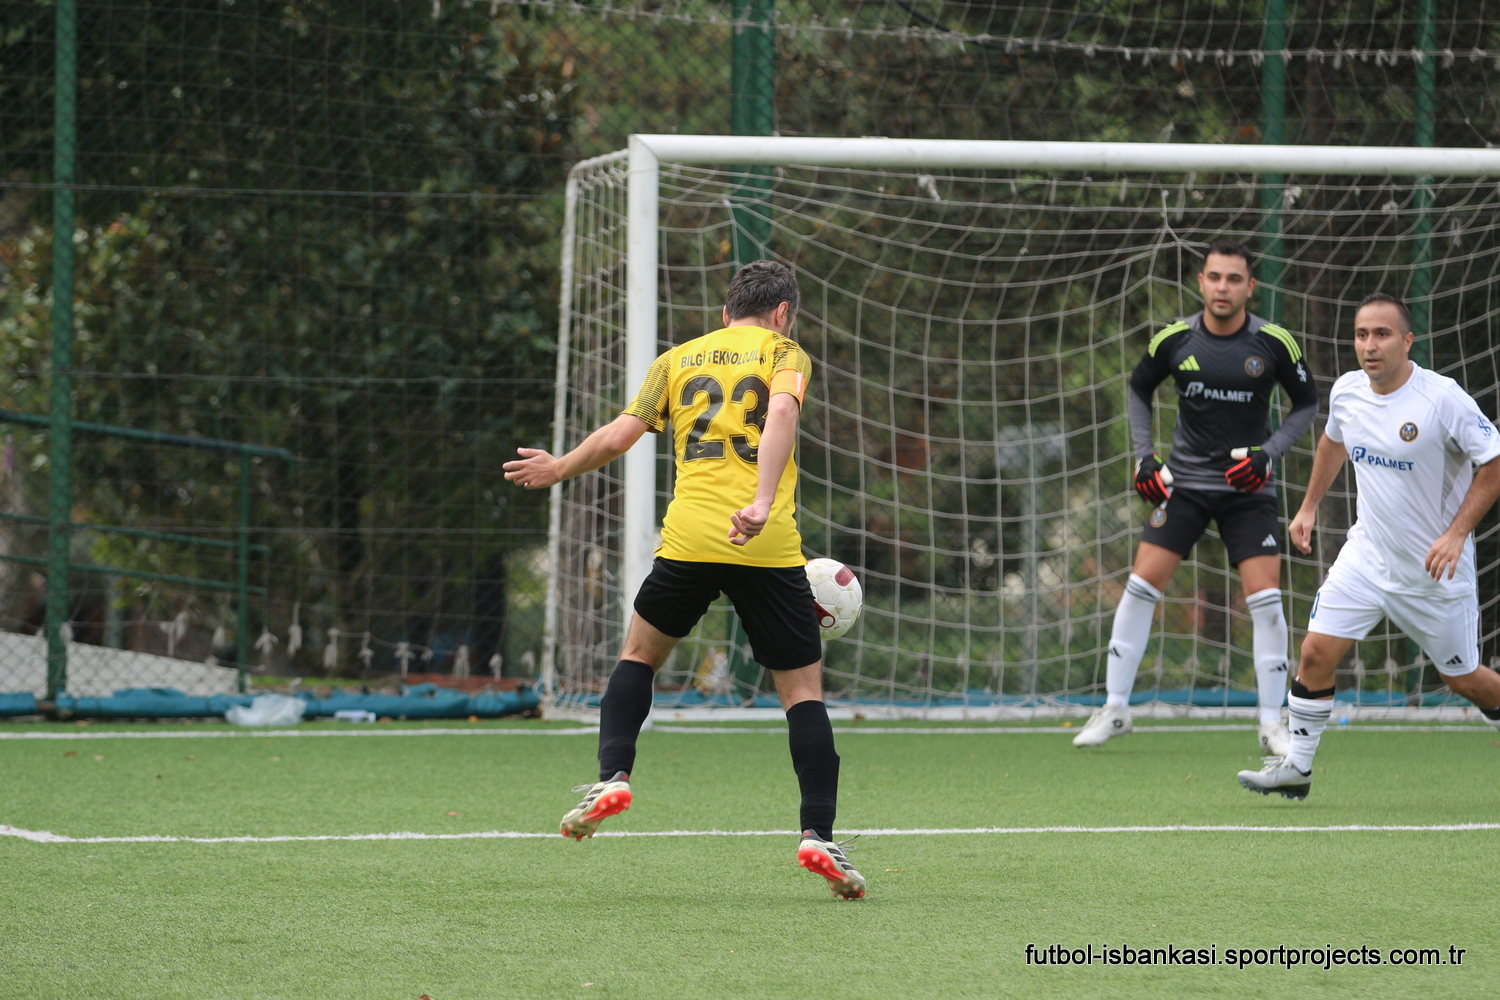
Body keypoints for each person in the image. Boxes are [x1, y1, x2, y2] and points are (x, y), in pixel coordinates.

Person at [503, 260, 865, 899]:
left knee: (638, 656)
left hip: (690, 538)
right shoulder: (785, 353)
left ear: (726, 313)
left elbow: (620, 435)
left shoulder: (677, 360)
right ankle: (818, 835)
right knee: (803, 693)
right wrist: (760, 501)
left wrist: (559, 468)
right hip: (764, 543)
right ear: (783, 312)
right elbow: (781, 415)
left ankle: (613, 776)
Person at [1238, 293, 1500, 799]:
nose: (1370, 345)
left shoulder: (1441, 399)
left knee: (1463, 679)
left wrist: (1455, 534)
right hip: (1367, 555)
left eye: (1382, 334)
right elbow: (1333, 441)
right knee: (1315, 651)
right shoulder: (1348, 391)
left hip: (1433, 571)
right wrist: (1309, 507)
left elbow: (1494, 462)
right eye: (1361, 335)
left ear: (1407, 341)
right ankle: (1297, 767)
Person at [1074, 240, 1318, 752]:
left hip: (1247, 489)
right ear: (1201, 283)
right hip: (1183, 485)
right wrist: (1144, 458)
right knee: (1140, 587)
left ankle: (1271, 723)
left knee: (1266, 601)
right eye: (1215, 277)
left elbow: (1306, 403)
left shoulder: (1273, 343)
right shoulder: (1174, 338)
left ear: (1250, 287)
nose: (1223, 287)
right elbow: (1138, 389)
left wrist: (1268, 453)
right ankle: (1115, 709)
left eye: (1234, 279)